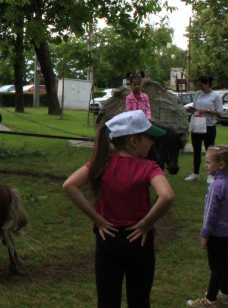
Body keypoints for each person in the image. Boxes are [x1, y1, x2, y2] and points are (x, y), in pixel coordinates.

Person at [63, 110, 174, 308]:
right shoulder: (149, 167)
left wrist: (97, 219)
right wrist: (145, 224)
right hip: (139, 240)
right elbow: (166, 196)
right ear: (134, 141)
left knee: (107, 299)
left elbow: (69, 185)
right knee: (139, 299)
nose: (151, 143)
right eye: (148, 138)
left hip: (108, 239)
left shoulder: (101, 163)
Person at [186, 146, 228, 307]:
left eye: (209, 162)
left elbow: (210, 213)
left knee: (216, 267)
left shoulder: (215, 187)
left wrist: (205, 234)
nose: (205, 166)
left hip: (216, 234)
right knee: (227, 263)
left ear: (221, 164)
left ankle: (210, 300)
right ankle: (225, 293)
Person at [186, 76, 223, 182]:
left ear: (207, 84)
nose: (200, 88)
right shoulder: (198, 94)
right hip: (198, 124)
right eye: (199, 86)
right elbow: (195, 106)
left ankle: (211, 174)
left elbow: (220, 112)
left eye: (202, 85)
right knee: (196, 150)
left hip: (209, 126)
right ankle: (195, 173)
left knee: (209, 150)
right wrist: (194, 110)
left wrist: (208, 111)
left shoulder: (215, 96)